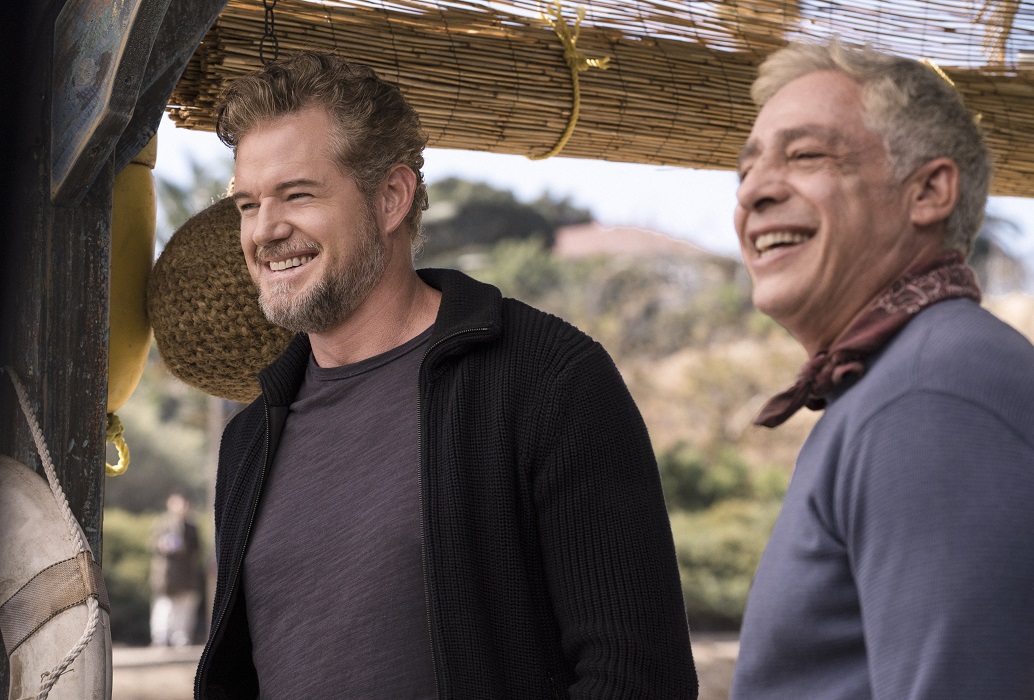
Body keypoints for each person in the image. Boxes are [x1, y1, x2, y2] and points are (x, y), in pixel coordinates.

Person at [194, 52, 696, 699]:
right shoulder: (250, 439)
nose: (264, 230)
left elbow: (636, 676)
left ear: (391, 198)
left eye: (297, 194)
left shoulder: (547, 379)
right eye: (247, 204)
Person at [730, 38, 1034, 698]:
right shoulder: (903, 379)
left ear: (928, 191)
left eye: (806, 155)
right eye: (744, 172)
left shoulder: (931, 399)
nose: (753, 192)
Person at [150, 492, 203, 647]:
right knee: (164, 608)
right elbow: (154, 545)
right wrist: (163, 545)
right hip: (166, 576)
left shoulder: (191, 527)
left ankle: (181, 638)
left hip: (187, 576)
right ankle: (160, 639)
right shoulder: (162, 524)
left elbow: (196, 549)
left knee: (185, 608)